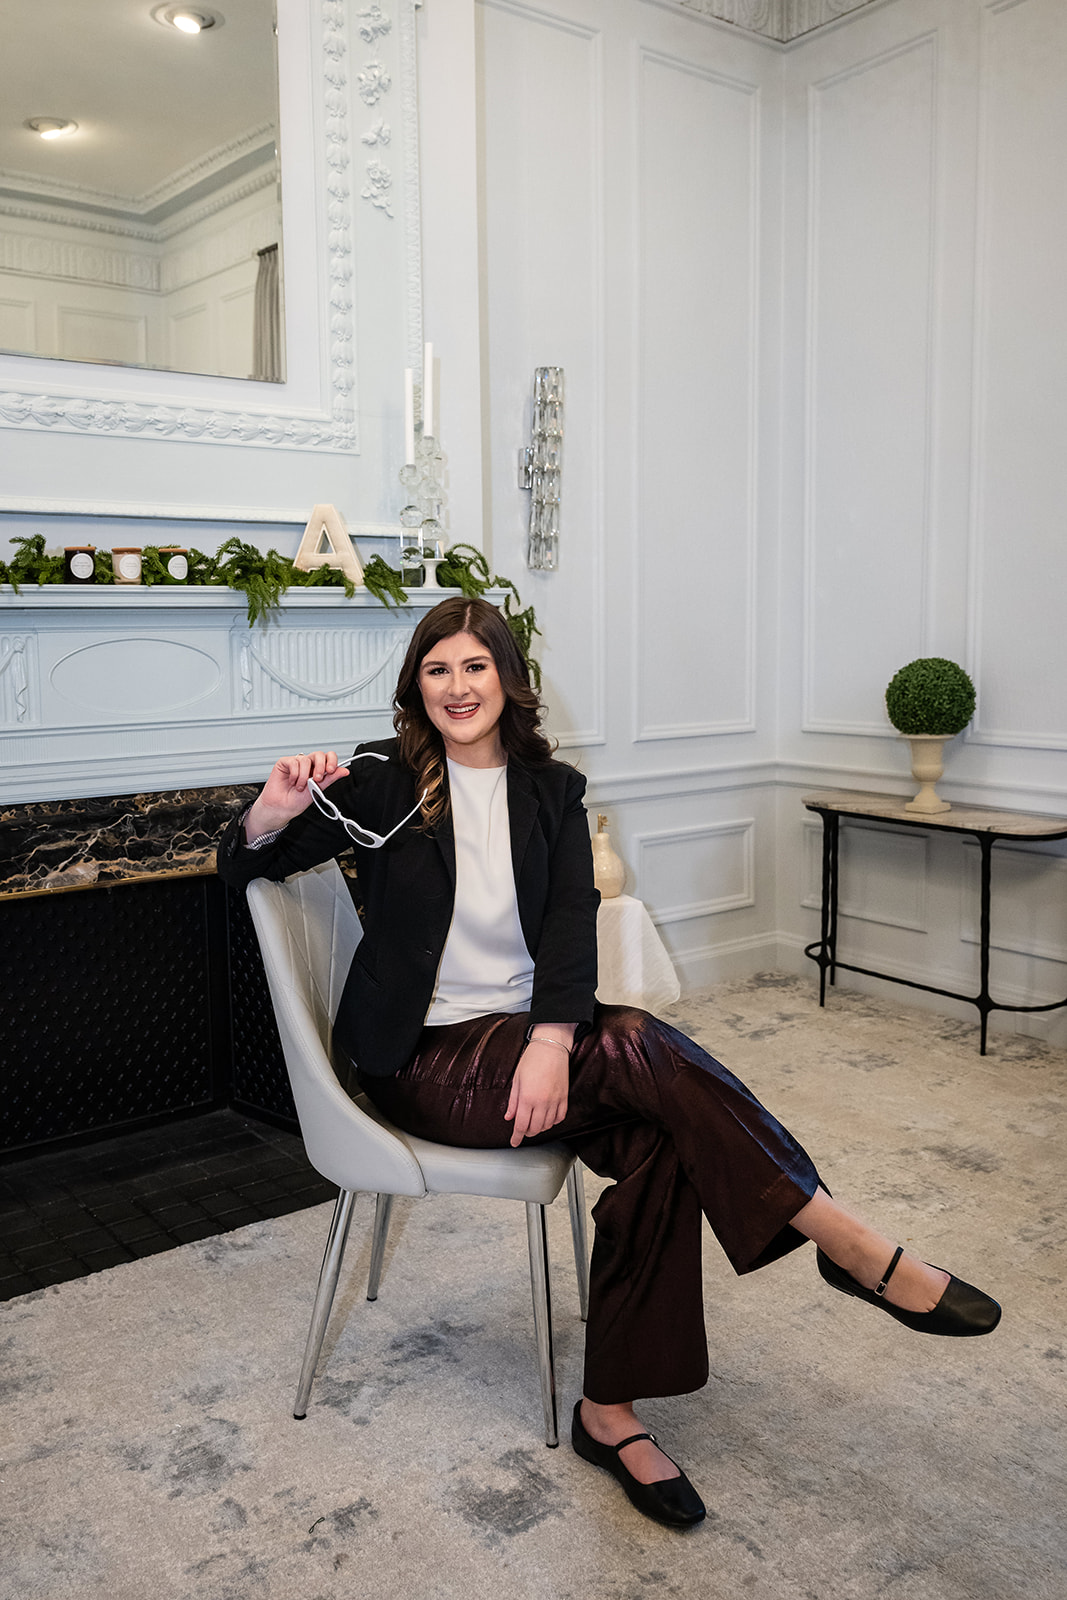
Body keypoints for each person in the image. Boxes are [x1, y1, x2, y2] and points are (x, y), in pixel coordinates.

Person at [217, 595, 1001, 1531]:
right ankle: (841, 1237)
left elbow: (566, 928)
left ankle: (610, 1411)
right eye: (436, 669)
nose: (457, 688)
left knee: (660, 1140)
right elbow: (245, 867)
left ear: (507, 677)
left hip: (532, 1049)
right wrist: (274, 807)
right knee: (633, 1038)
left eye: (474, 667)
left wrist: (549, 1045)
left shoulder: (552, 790)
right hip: (422, 1063)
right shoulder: (381, 782)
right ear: (414, 686)